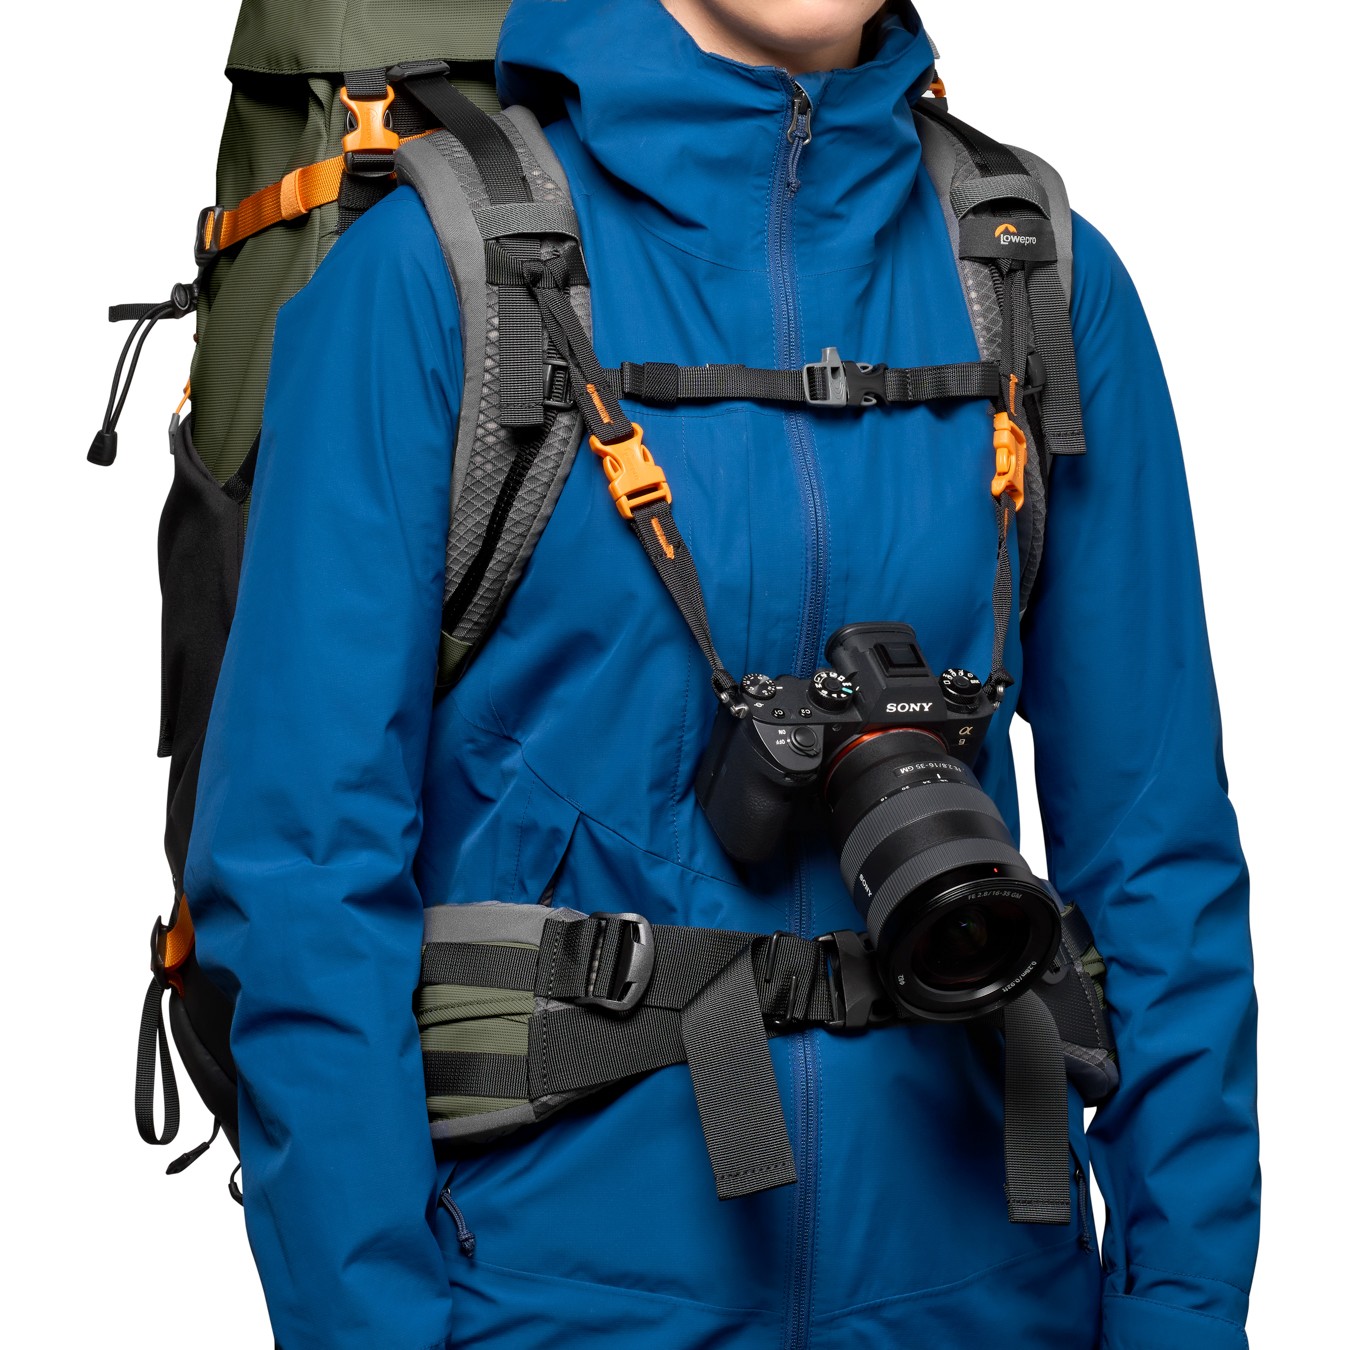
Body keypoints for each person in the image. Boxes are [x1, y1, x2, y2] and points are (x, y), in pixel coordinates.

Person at [184, 1, 1260, 1346]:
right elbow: (302, 881)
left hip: (989, 1298)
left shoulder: (1030, 275)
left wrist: (1179, 1316)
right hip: (543, 1306)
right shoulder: (431, 281)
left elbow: (1159, 859)